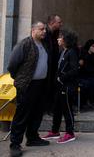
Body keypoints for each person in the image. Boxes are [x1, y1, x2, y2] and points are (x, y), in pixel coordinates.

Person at [8, 22, 50, 157]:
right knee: (22, 114)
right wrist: (20, 78)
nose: (44, 31)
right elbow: (12, 65)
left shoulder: (44, 45)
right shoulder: (25, 44)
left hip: (40, 84)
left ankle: (32, 138)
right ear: (33, 30)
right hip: (27, 85)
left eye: (45, 29)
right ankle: (15, 144)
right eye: (41, 29)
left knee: (37, 113)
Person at [42, 30, 79, 144]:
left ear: (65, 40)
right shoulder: (64, 51)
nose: (58, 39)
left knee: (67, 110)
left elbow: (74, 69)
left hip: (66, 86)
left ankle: (70, 133)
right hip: (59, 86)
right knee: (57, 109)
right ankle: (55, 131)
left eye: (60, 38)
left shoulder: (71, 52)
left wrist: (62, 78)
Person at [43, 15, 63, 114]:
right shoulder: (46, 34)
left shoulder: (55, 34)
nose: (61, 24)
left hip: (52, 66)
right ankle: (46, 108)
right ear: (52, 23)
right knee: (47, 87)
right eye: (59, 22)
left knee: (52, 86)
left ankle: (50, 108)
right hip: (47, 67)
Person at [78, 39, 94, 107]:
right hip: (84, 75)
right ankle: (90, 100)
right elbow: (87, 69)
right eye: (93, 46)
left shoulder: (93, 55)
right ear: (89, 46)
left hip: (90, 74)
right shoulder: (85, 55)